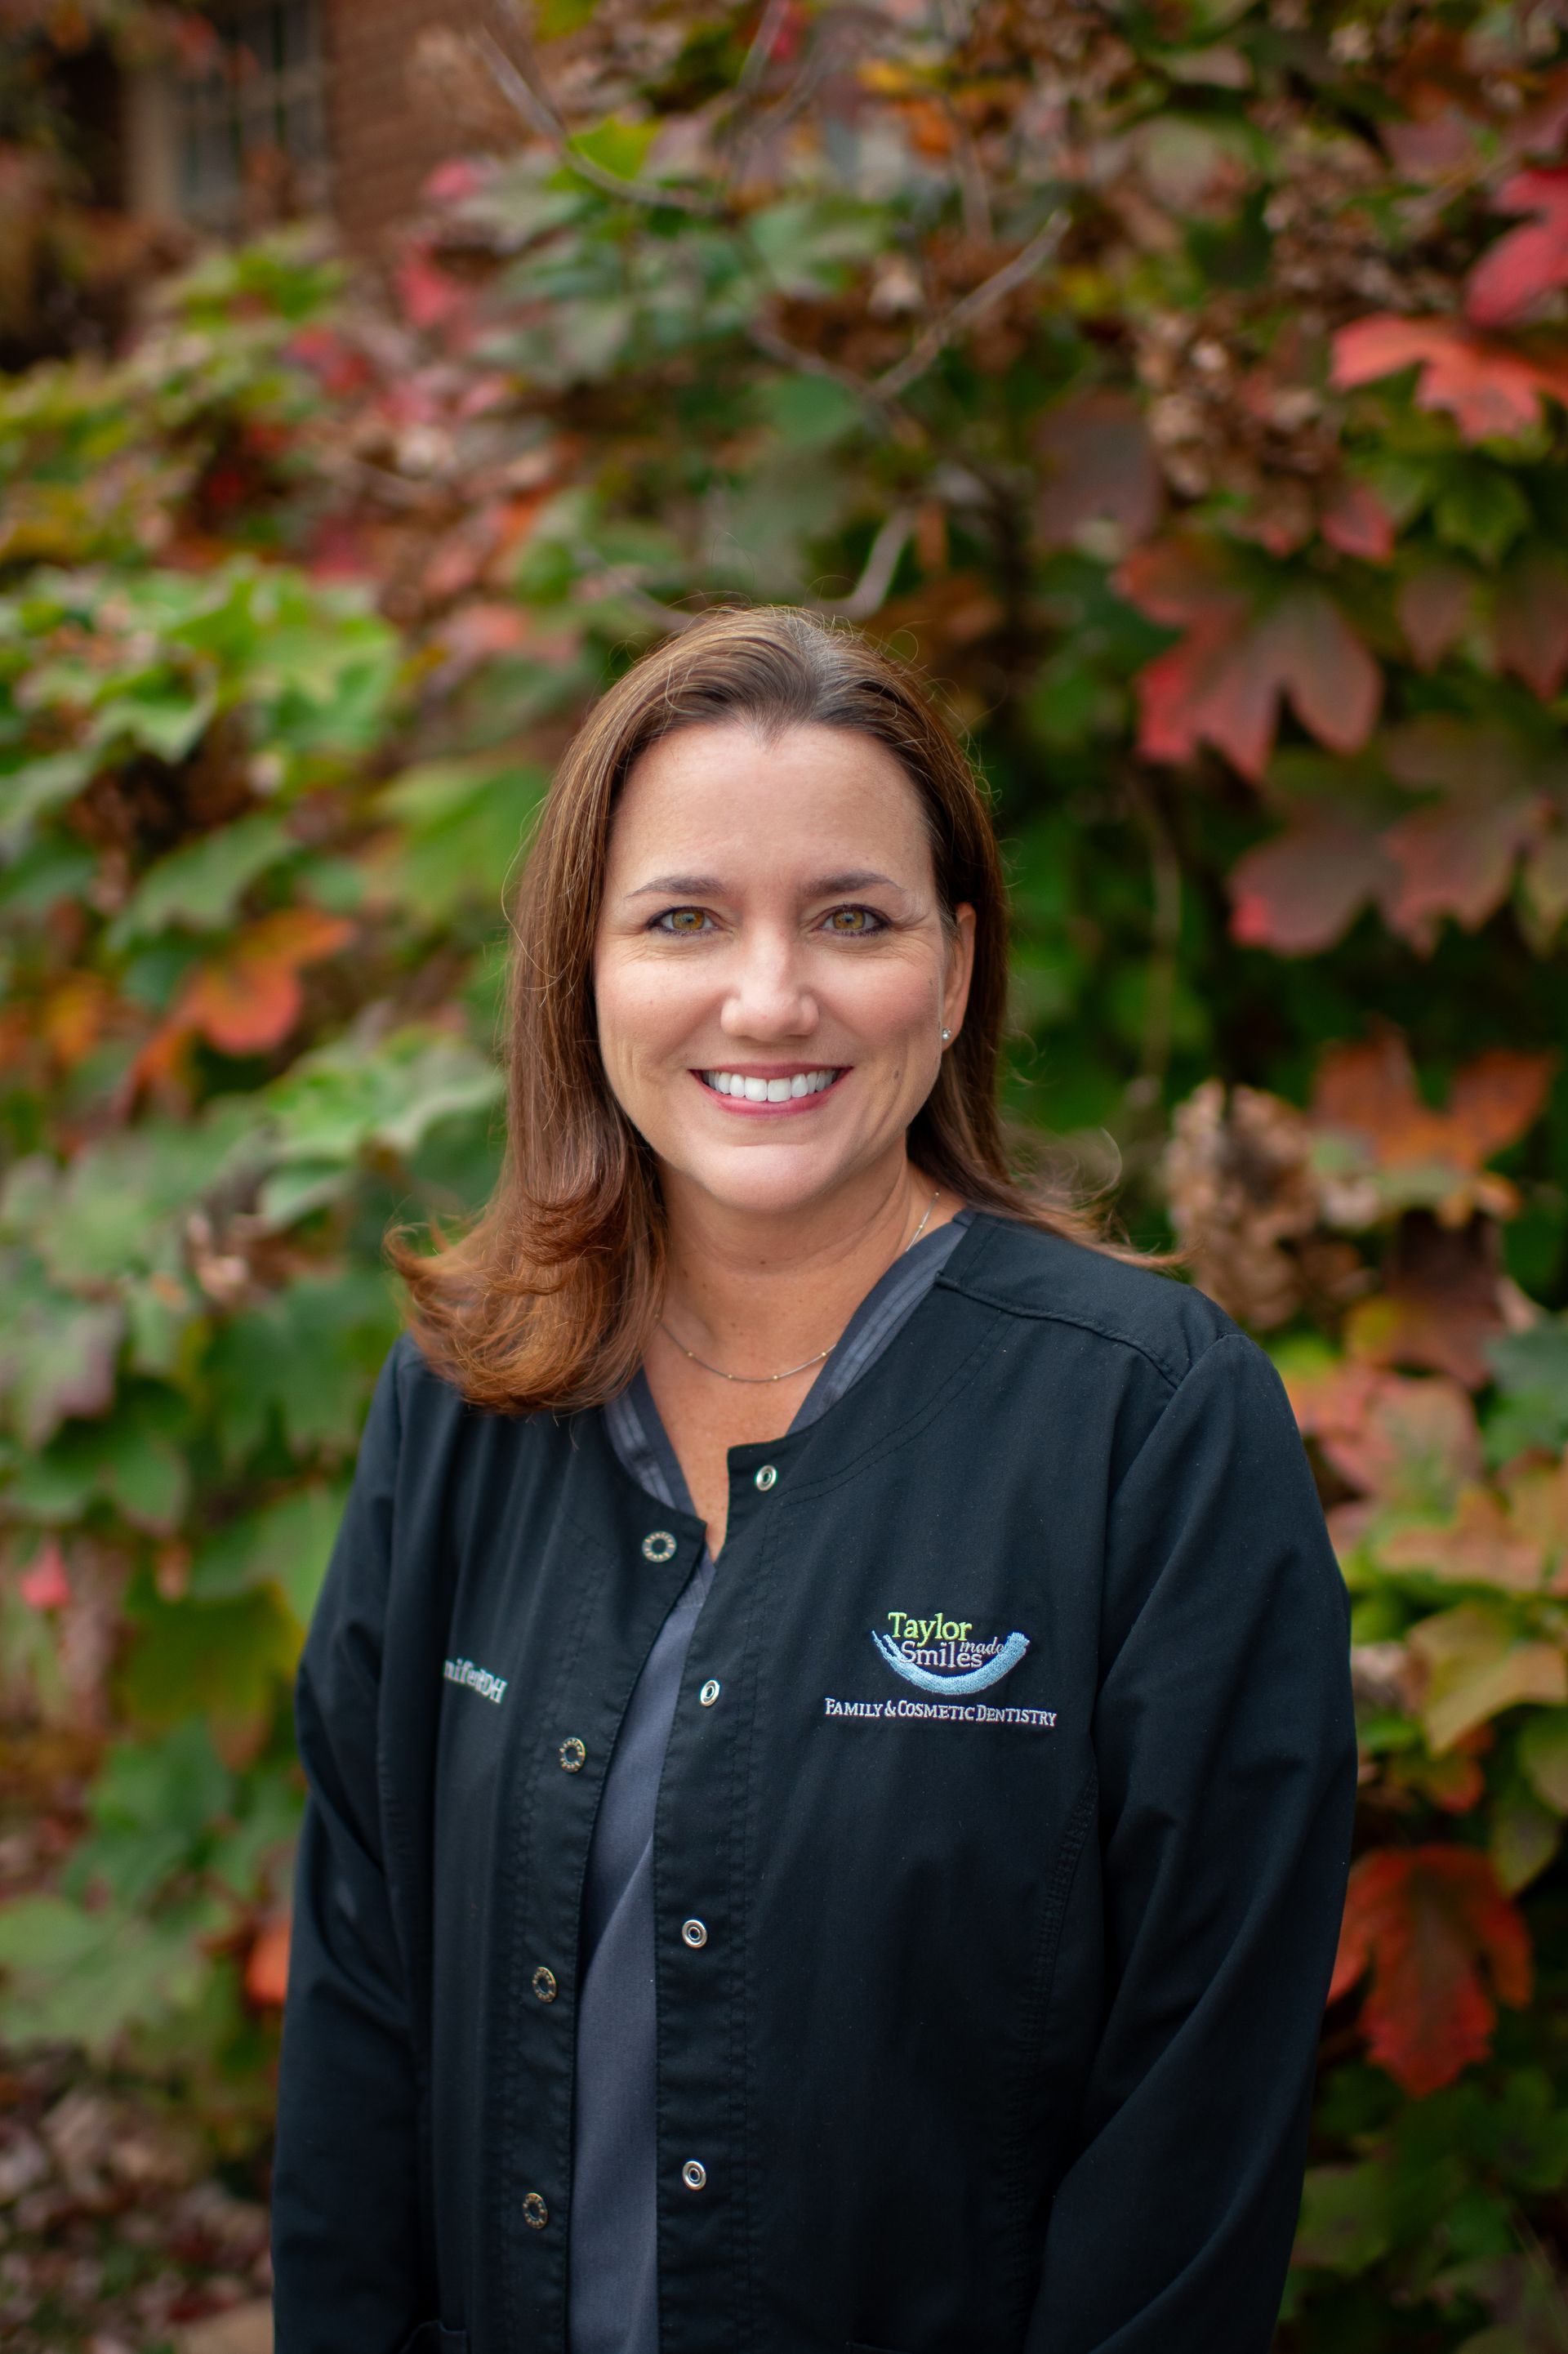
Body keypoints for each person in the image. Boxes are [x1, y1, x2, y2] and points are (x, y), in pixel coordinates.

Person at [271, 606, 1356, 2354]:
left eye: (851, 918)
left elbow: (1196, 2126)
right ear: (583, 970)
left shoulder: (1149, 1429)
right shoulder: (467, 1402)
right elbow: (362, 2008)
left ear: (954, 967)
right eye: (685, 918)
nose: (767, 996)